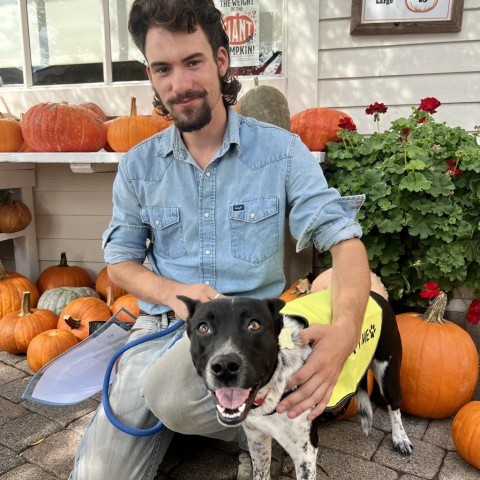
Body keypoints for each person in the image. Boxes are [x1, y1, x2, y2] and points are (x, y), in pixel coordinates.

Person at [69, 0, 371, 479]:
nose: (179, 84)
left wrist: (346, 333)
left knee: (171, 394)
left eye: (193, 62)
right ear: (150, 75)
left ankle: (230, 414)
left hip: (250, 332)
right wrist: (175, 295)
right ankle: (238, 415)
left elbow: (345, 239)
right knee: (98, 474)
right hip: (163, 330)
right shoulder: (138, 166)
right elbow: (120, 263)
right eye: (163, 68)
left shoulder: (281, 152)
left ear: (222, 61)